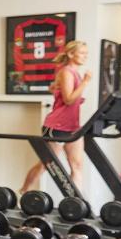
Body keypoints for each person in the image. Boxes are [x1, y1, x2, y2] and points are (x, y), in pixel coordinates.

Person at [19, 40, 90, 194]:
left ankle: (76, 202)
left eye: (86, 53)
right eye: (82, 53)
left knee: (77, 166)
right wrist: (85, 83)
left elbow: (66, 97)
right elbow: (68, 99)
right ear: (71, 54)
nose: (85, 56)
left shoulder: (74, 73)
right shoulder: (66, 72)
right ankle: (23, 191)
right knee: (47, 164)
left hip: (72, 126)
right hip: (57, 126)